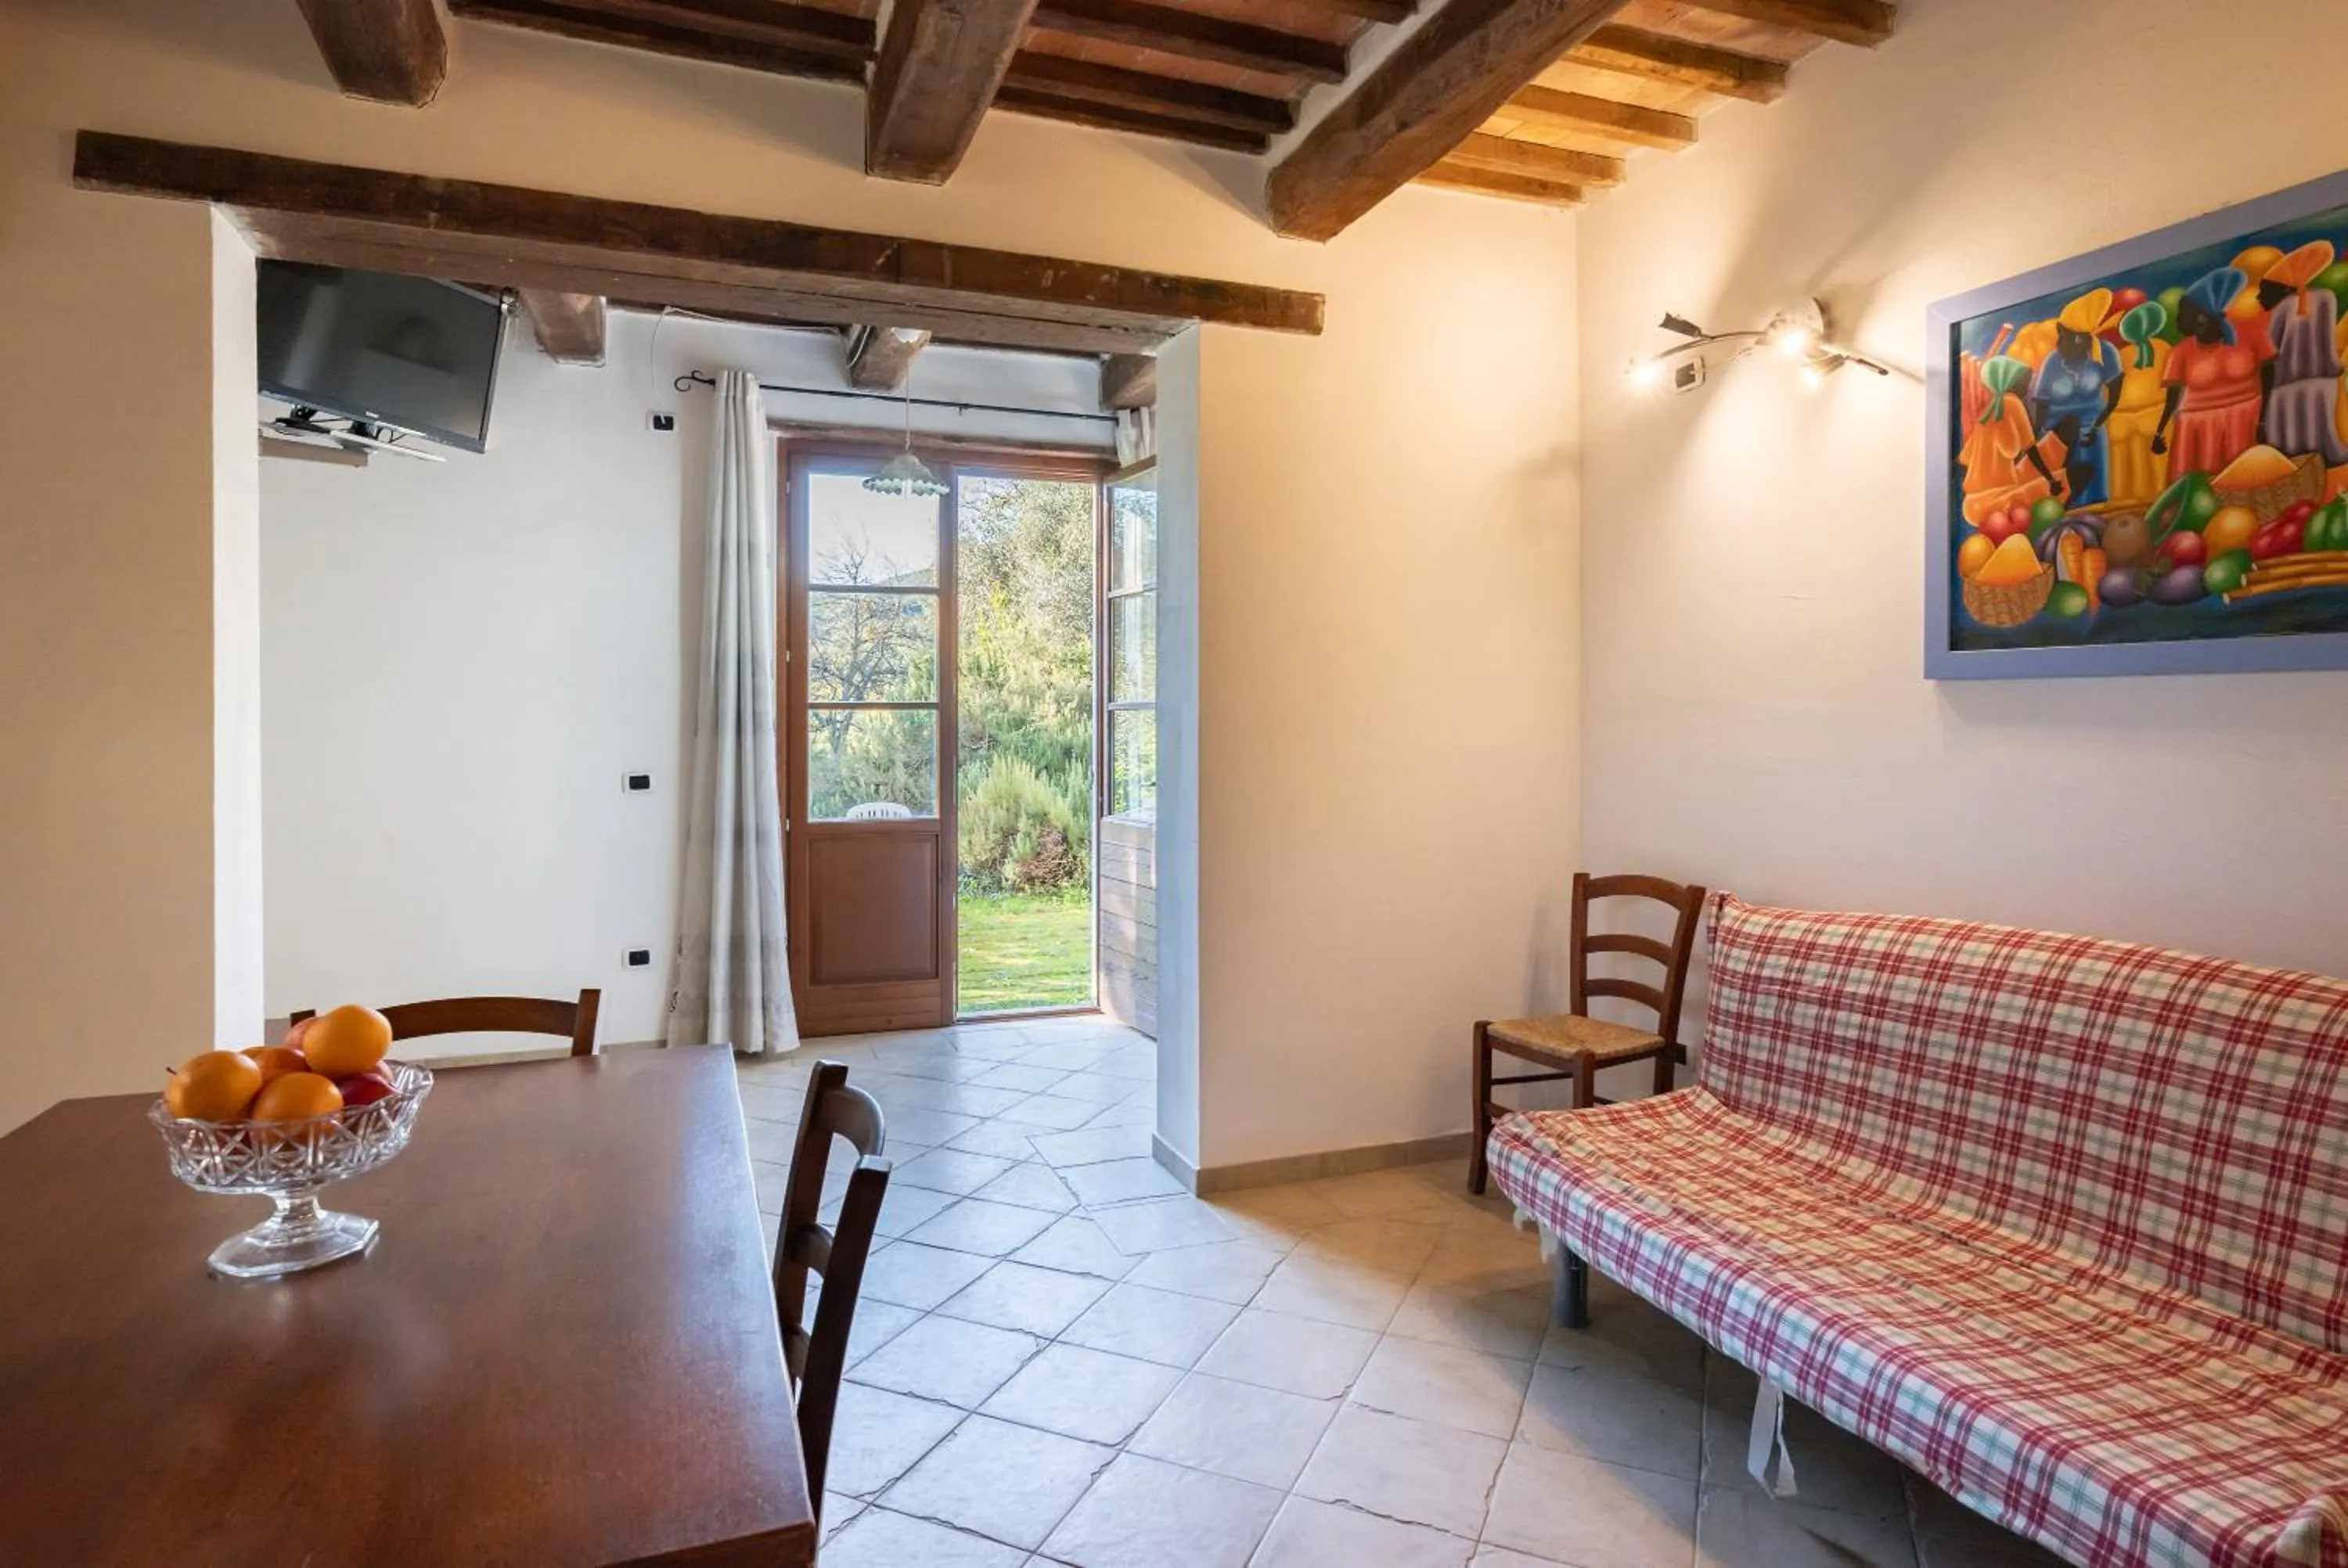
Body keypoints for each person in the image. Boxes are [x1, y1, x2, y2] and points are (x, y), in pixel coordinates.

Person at [2153, 266, 2276, 481]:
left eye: (2184, 313)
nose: (2179, 320)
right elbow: (2172, 398)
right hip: (2197, 429)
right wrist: (2159, 433)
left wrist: (2264, 420)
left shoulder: (2252, 335)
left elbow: (2270, 377)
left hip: (2245, 420)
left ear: (2201, 316)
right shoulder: (2180, 352)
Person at [2255, 240, 2348, 466]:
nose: (2259, 298)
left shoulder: (2281, 310)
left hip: (2287, 389)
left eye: (2264, 291)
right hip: (2324, 386)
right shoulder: (2327, 298)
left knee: (2292, 449)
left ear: (2283, 289)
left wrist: (2263, 411)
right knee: (2324, 437)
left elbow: (2271, 356)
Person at [2029, 288, 2125, 505]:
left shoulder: (2106, 354)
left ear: (2080, 340)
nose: (2058, 343)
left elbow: (2115, 395)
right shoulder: (2052, 362)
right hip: (2058, 435)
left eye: (2062, 336)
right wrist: (2037, 439)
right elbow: (2042, 403)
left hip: (2092, 431)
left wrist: (2097, 425)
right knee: (2062, 497)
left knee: (2094, 495)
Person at [1960, 355, 2065, 526]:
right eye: (2024, 382)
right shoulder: (2013, 404)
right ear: (2009, 382)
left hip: (1971, 506)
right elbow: (2031, 450)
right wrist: (2050, 480)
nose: (2027, 387)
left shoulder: (1986, 413)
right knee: (2067, 481)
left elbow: (1965, 459)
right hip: (2001, 500)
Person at [2105, 300, 2173, 509]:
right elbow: (2111, 388)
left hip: (2153, 413)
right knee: (2124, 467)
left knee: (2157, 466)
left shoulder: (2162, 349)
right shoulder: (2124, 355)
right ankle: (2126, 507)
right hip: (2122, 418)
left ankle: (2160, 504)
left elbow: (2172, 386)